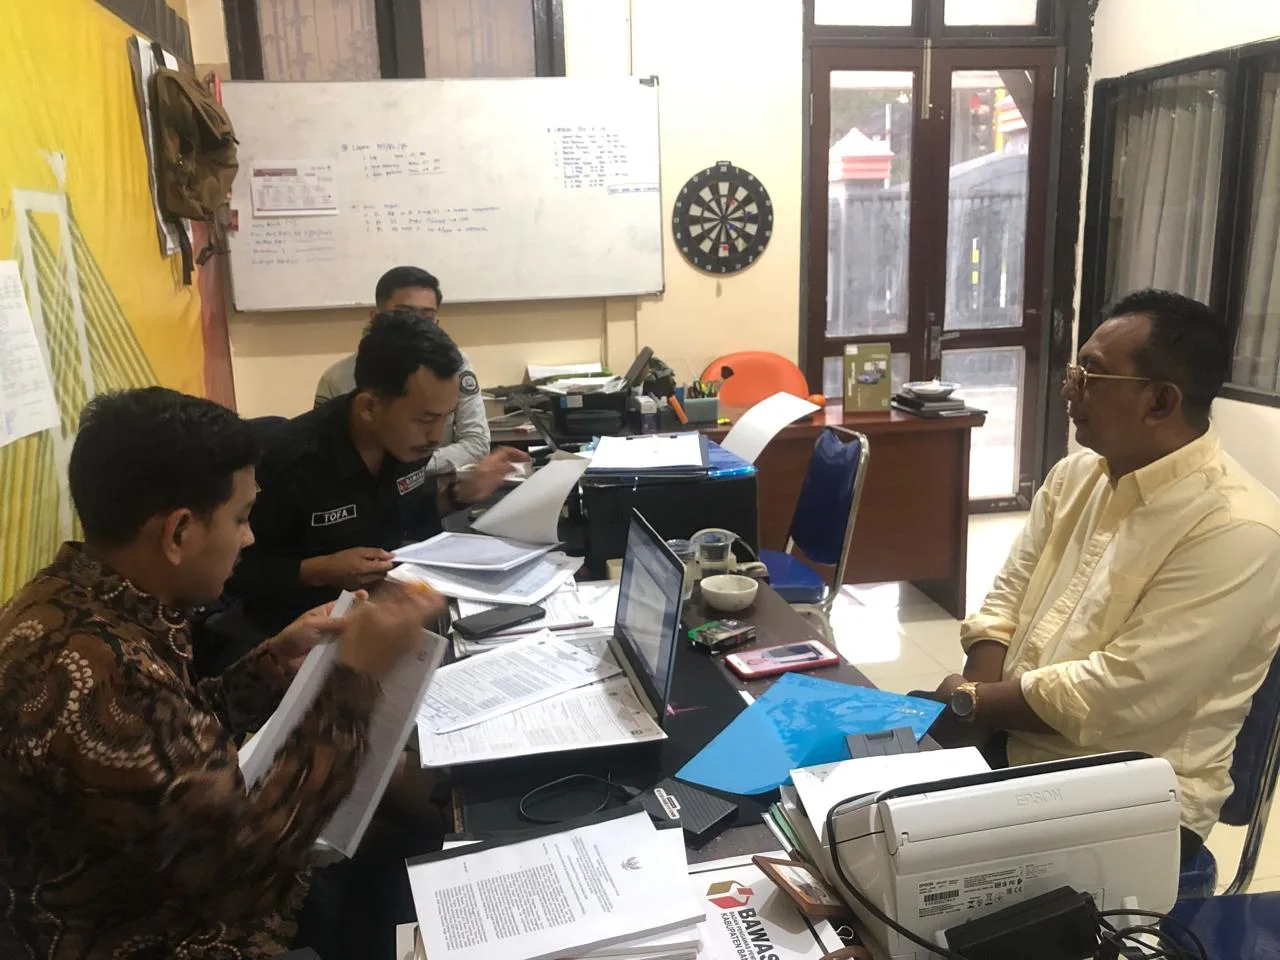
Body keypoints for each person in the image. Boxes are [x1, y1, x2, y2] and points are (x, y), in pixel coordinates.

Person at [0, 387, 444, 959]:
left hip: (182, 881)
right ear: (179, 533)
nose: (249, 538)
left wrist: (271, 664)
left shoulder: (77, 596)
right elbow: (249, 867)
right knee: (403, 874)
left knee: (400, 846)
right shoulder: (93, 673)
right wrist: (354, 679)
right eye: (241, 517)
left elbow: (167, 735)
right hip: (161, 933)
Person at [927, 290, 1280, 864]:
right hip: (1008, 740)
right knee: (831, 791)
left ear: (1160, 401)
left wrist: (976, 706)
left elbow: (1119, 693)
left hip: (1126, 799)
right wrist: (975, 709)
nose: (1069, 389)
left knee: (900, 879)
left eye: (1090, 375)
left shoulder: (1239, 528)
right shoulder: (1076, 477)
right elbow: (1004, 603)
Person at [230, 310, 528, 632]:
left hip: (382, 613)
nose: (437, 436)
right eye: (426, 419)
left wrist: (460, 494)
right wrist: (318, 570)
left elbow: (404, 514)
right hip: (300, 631)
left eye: (446, 417)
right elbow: (235, 577)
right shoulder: (289, 460)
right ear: (369, 407)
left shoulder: (408, 445)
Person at [314, 265, 490, 475]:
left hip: (435, 484)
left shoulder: (455, 366)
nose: (415, 325)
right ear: (376, 318)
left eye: (427, 318)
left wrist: (409, 469)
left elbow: (476, 443)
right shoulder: (336, 378)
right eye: (403, 314)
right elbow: (325, 454)